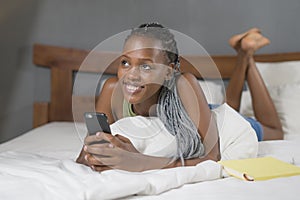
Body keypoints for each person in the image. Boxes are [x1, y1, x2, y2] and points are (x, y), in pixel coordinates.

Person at [76, 23, 283, 172]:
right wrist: (96, 156)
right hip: (201, 113)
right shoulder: (113, 89)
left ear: (169, 71)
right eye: (125, 63)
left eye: (146, 65)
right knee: (230, 106)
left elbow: (212, 157)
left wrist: (140, 162)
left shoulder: (185, 82)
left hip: (207, 116)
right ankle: (242, 53)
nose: (131, 74)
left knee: (274, 130)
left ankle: (247, 54)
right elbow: (84, 154)